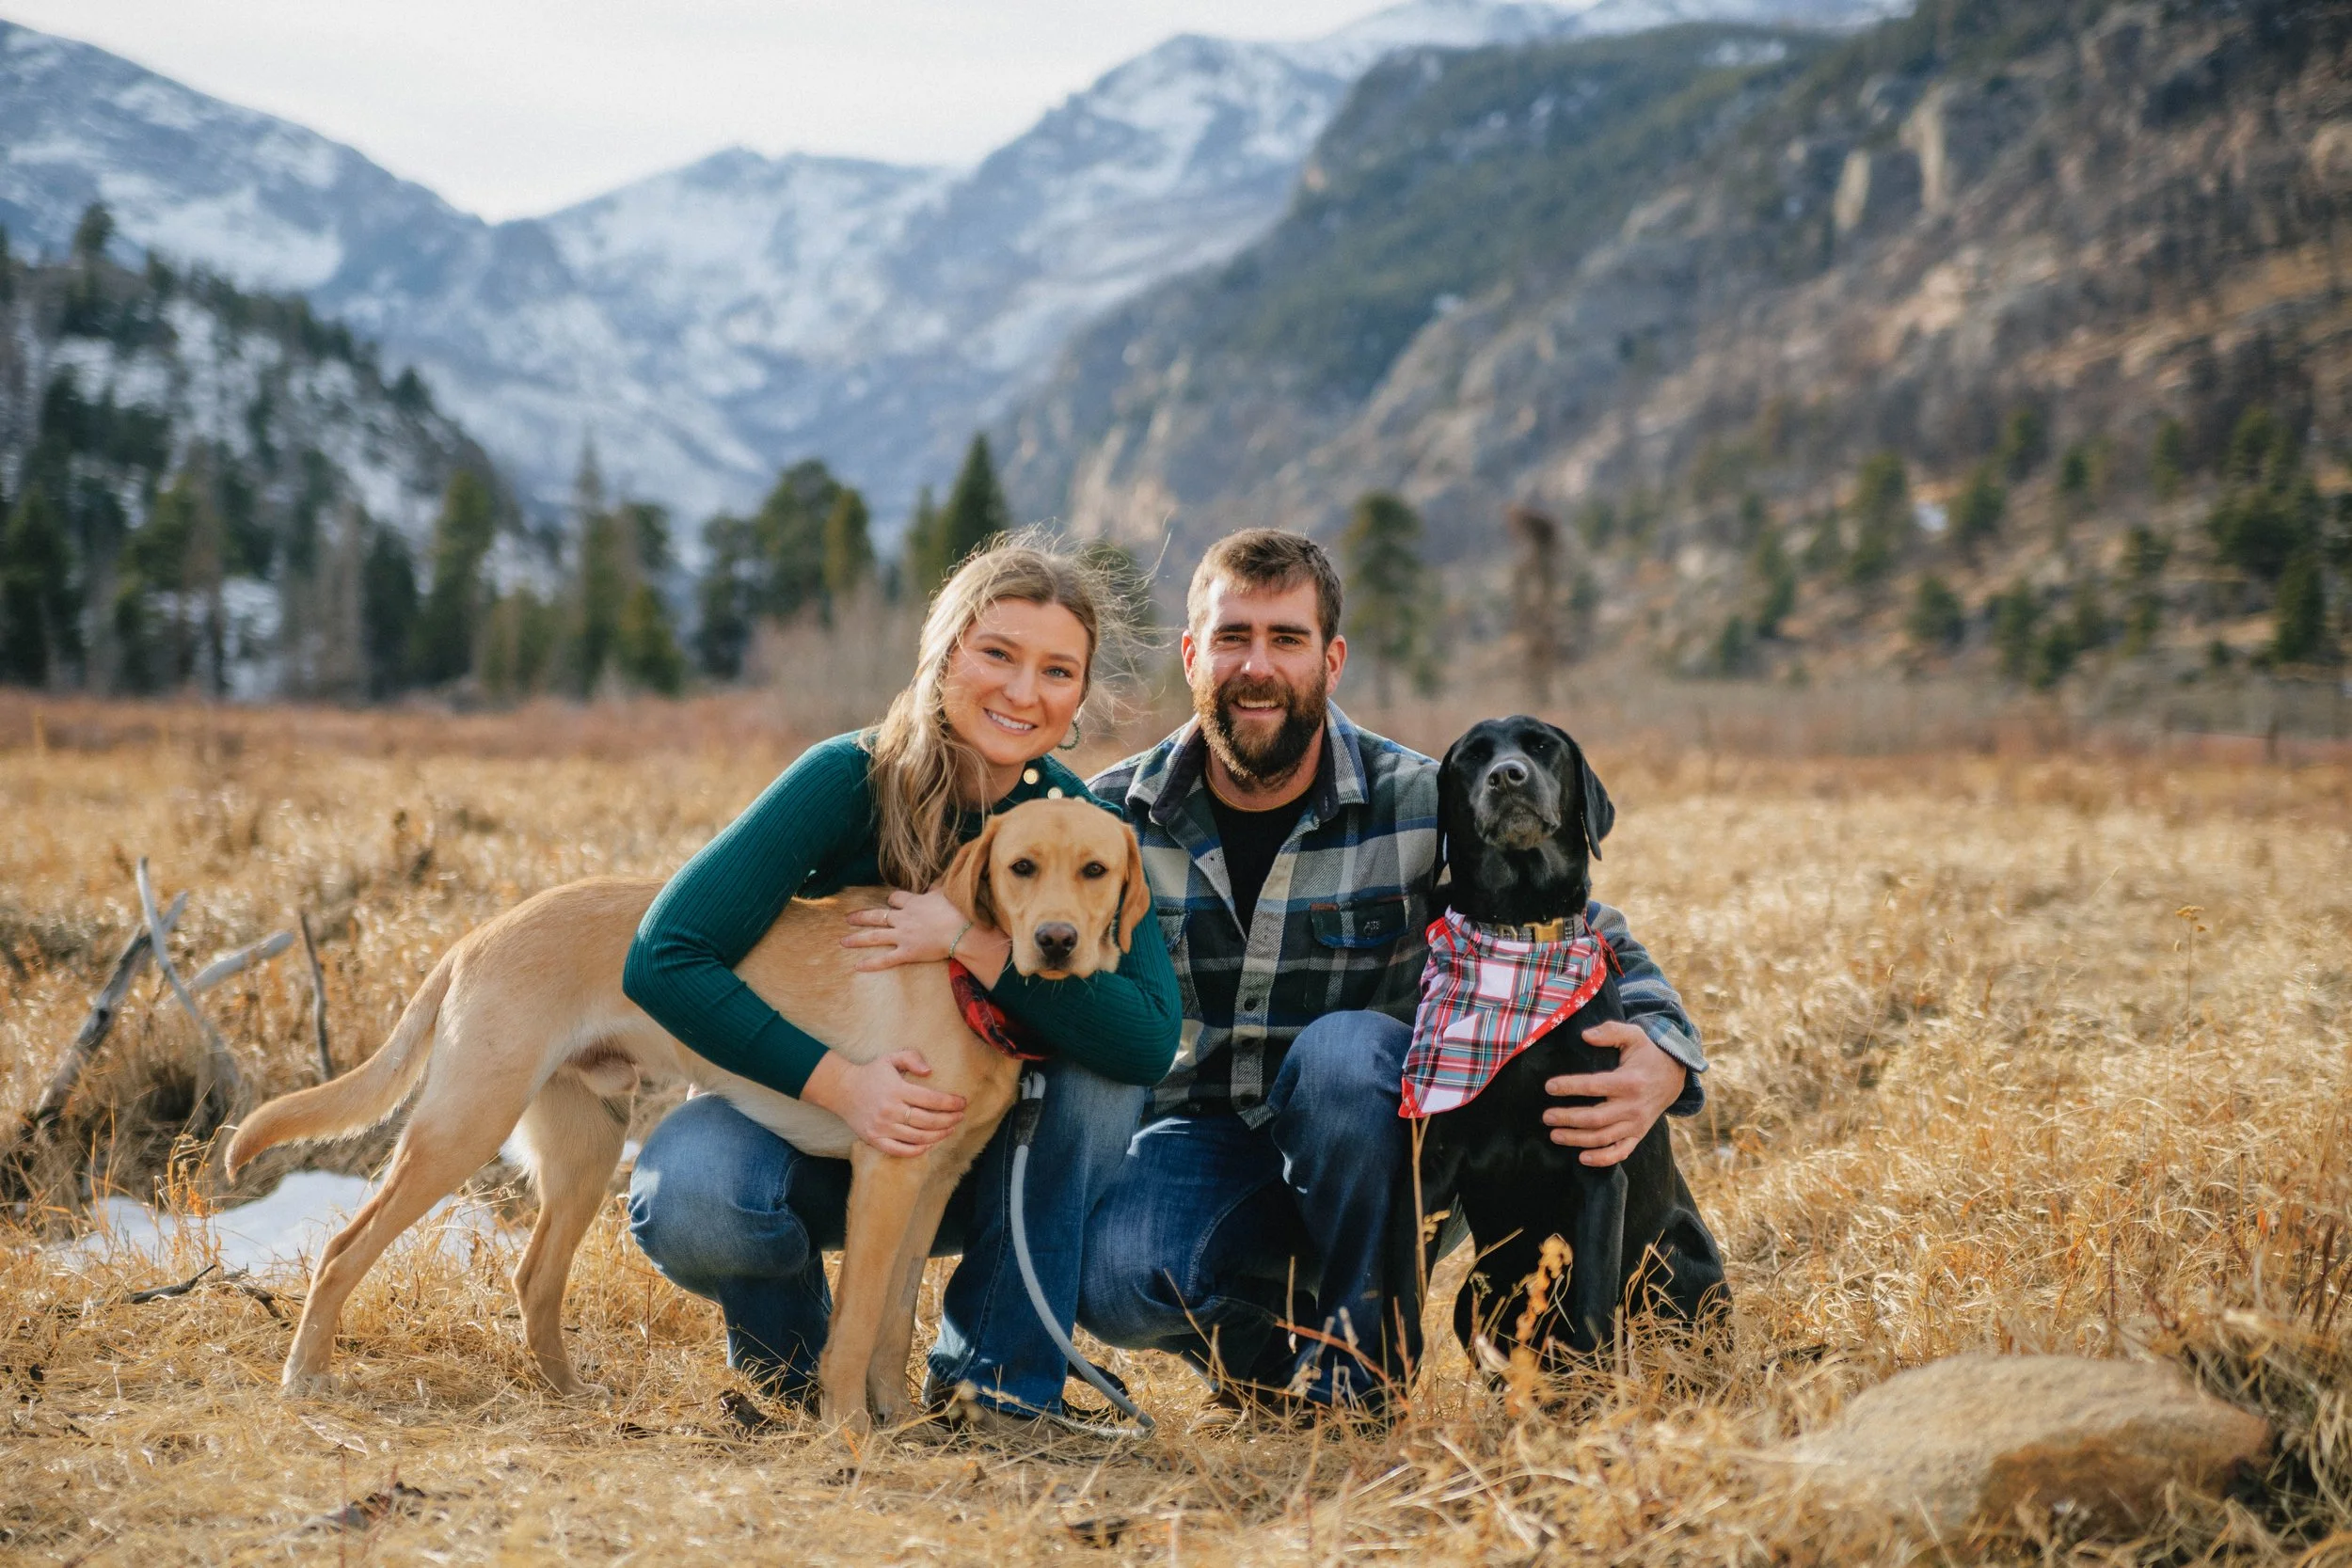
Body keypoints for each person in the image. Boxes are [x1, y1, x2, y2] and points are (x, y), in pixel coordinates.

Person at [1077, 530, 1706, 1416]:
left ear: (1331, 660)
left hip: (1368, 1146)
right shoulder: (1111, 815)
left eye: (1286, 639)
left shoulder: (1421, 799)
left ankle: (1360, 1377)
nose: (1257, 666)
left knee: (1345, 1053)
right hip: (1202, 1143)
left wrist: (1666, 1052)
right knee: (1112, 1275)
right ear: (1192, 655)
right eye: (1233, 637)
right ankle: (1268, 1362)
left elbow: (1580, 931)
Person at [622, 540, 1181, 1428]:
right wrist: (844, 1085)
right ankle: (790, 1368)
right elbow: (663, 953)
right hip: (804, 1119)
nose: (1023, 691)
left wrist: (970, 941)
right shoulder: (847, 776)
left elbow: (1151, 1037)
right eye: (997, 653)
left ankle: (993, 1385)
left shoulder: (1080, 825)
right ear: (945, 651)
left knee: (1102, 1057)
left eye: (1057, 670)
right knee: (694, 1186)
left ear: (1079, 696)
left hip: (973, 1165)